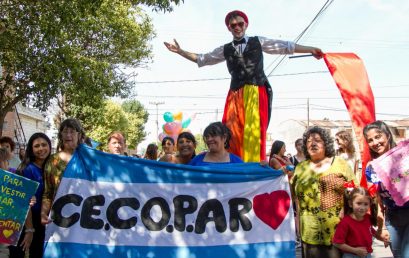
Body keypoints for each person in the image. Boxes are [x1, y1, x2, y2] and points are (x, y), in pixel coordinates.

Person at [164, 10, 322, 163]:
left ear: (246, 25)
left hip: (255, 90)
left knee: (253, 134)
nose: (237, 27)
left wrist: (311, 49)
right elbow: (203, 59)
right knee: (231, 133)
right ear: (229, 28)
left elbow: (285, 46)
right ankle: (232, 166)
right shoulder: (225, 49)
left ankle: (252, 168)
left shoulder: (258, 41)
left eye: (240, 24)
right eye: (233, 25)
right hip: (235, 93)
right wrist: (180, 51)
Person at [290, 126, 357, 258]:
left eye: (317, 140)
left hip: (338, 232)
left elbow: (354, 193)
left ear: (326, 143)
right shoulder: (300, 168)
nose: (313, 143)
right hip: (309, 233)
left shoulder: (340, 164)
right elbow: (293, 196)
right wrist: (266, 172)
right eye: (309, 141)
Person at [363, 120, 409, 258]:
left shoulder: (405, 157)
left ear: (387, 135)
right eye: (370, 140)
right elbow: (378, 199)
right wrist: (381, 227)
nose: (375, 142)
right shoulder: (372, 167)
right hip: (393, 219)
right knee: (399, 255)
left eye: (378, 137)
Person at [9, 133, 51, 258]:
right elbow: (22, 201)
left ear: (49, 146)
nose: (41, 149)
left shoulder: (53, 168)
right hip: (24, 222)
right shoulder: (26, 169)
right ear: (31, 150)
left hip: (43, 222)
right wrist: (29, 230)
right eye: (36, 146)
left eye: (44, 145)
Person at [41, 118, 85, 225]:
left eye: (72, 132)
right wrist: (43, 213)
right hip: (59, 217)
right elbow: (48, 193)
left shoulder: (87, 159)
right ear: (61, 135)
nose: (68, 135)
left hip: (84, 217)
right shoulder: (52, 161)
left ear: (79, 135)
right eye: (65, 131)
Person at [333, 186, 381, 258]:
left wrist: (381, 237)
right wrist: (355, 250)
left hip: (367, 254)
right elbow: (336, 242)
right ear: (350, 204)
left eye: (366, 204)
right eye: (358, 203)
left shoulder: (367, 217)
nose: (362, 207)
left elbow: (369, 230)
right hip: (351, 255)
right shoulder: (345, 222)